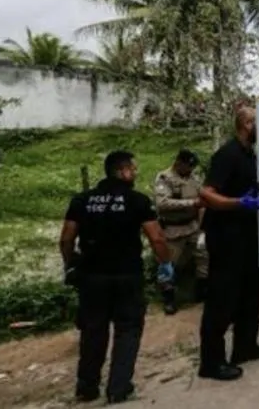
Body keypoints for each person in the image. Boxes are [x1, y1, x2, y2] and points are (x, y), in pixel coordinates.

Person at [59, 150, 173, 405]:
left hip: (92, 277)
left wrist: (70, 264)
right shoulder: (137, 201)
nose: (135, 172)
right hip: (127, 276)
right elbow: (156, 237)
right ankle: (118, 388)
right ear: (122, 171)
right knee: (128, 330)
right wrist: (166, 264)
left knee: (93, 331)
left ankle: (87, 387)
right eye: (133, 169)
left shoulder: (82, 200)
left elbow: (66, 238)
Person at [197, 105, 259, 382]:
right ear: (246, 125)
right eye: (257, 122)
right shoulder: (227, 154)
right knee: (222, 301)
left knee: (250, 295)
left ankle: (245, 347)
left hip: (247, 239)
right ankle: (211, 363)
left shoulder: (250, 154)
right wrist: (240, 203)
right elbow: (207, 194)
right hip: (226, 239)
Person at [153, 149, 208, 314]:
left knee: (204, 257)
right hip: (172, 228)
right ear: (178, 163)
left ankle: (202, 293)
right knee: (168, 264)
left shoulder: (194, 178)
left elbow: (203, 199)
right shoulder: (164, 178)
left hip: (193, 227)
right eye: (187, 166)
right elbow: (162, 203)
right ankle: (169, 299)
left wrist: (202, 223)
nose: (189, 170)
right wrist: (191, 203)